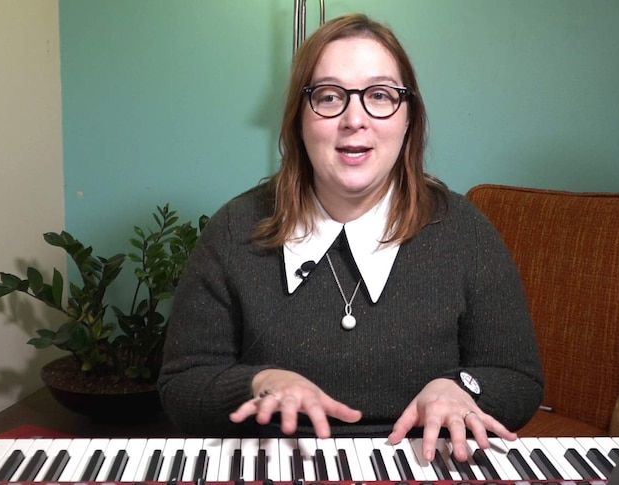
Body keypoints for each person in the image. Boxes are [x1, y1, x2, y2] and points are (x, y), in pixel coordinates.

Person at [158, 13, 543, 462]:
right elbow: (182, 387)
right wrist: (260, 383)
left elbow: (518, 379)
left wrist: (458, 387)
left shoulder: (465, 231)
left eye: (380, 95)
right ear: (299, 120)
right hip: (280, 462)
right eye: (328, 96)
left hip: (422, 462)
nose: (354, 119)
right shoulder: (234, 228)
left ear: (408, 119)